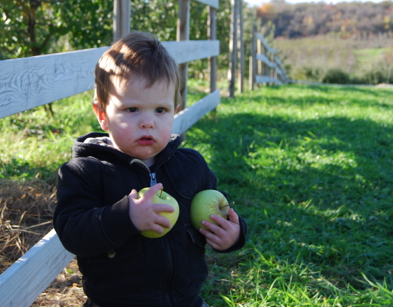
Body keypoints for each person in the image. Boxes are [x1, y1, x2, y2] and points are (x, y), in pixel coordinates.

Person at [53, 31, 248, 307]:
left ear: (174, 110)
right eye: (132, 110)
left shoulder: (191, 166)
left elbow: (221, 211)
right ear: (102, 115)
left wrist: (234, 234)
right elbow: (72, 231)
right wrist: (126, 216)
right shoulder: (86, 172)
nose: (148, 122)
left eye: (160, 110)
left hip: (185, 301)